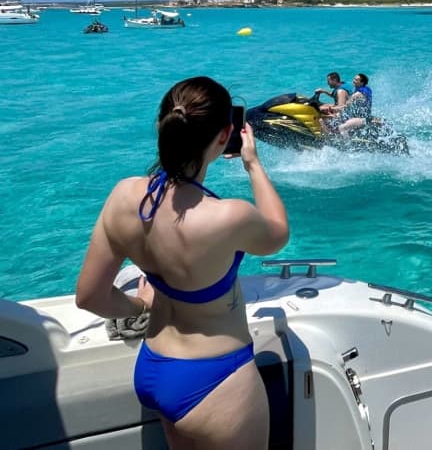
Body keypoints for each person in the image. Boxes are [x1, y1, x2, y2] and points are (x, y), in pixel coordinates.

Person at [75, 76, 289, 449]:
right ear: (225, 136)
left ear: (163, 125)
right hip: (215, 378)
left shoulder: (125, 195)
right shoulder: (228, 216)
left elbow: (90, 296)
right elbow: (278, 233)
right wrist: (253, 164)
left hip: (153, 365)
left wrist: (139, 304)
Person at [336, 72, 373, 137]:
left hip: (363, 119)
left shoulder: (357, 94)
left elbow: (344, 106)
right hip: (366, 117)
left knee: (342, 127)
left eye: (356, 80)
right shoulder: (366, 89)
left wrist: (331, 108)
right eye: (354, 79)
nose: (353, 81)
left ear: (362, 83)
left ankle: (346, 145)